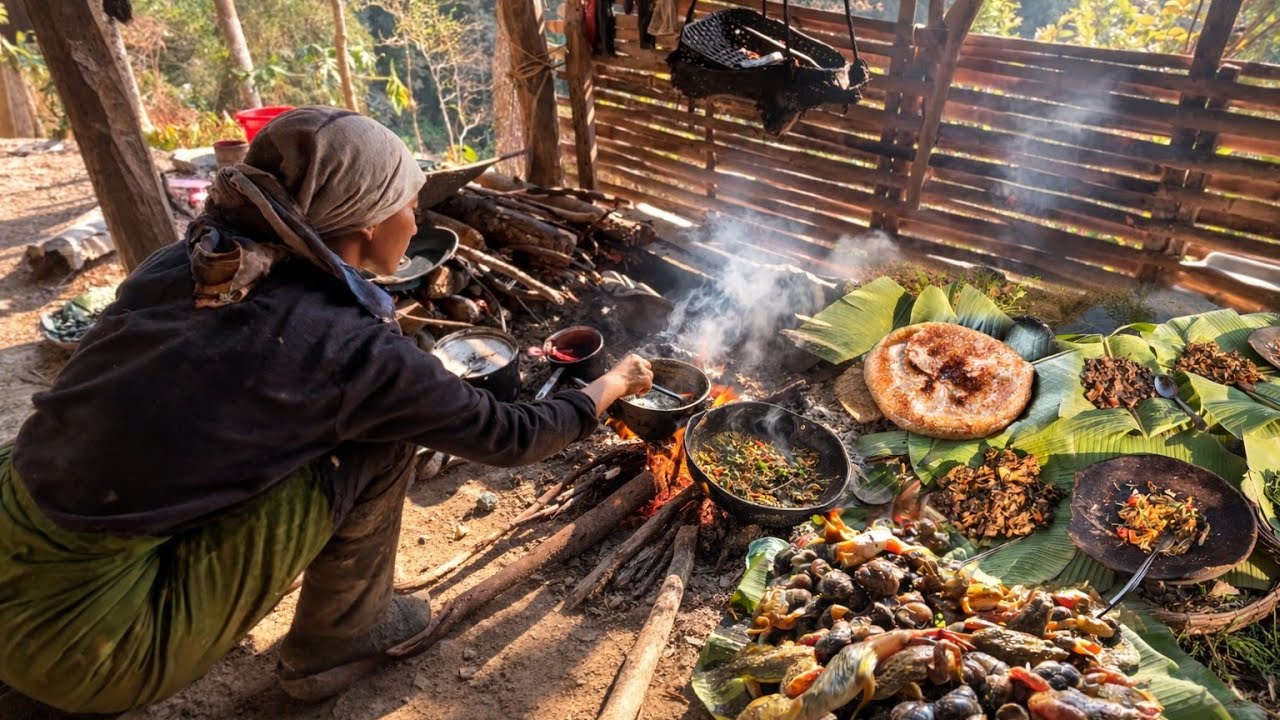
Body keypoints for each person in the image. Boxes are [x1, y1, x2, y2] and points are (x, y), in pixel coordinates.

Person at [0, 106, 653, 714]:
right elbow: (512, 435)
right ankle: (342, 639)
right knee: (372, 444)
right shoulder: (350, 349)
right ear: (368, 224)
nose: (419, 221)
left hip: (15, 515)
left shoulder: (193, 260)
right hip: (82, 646)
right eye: (411, 204)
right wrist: (613, 384)